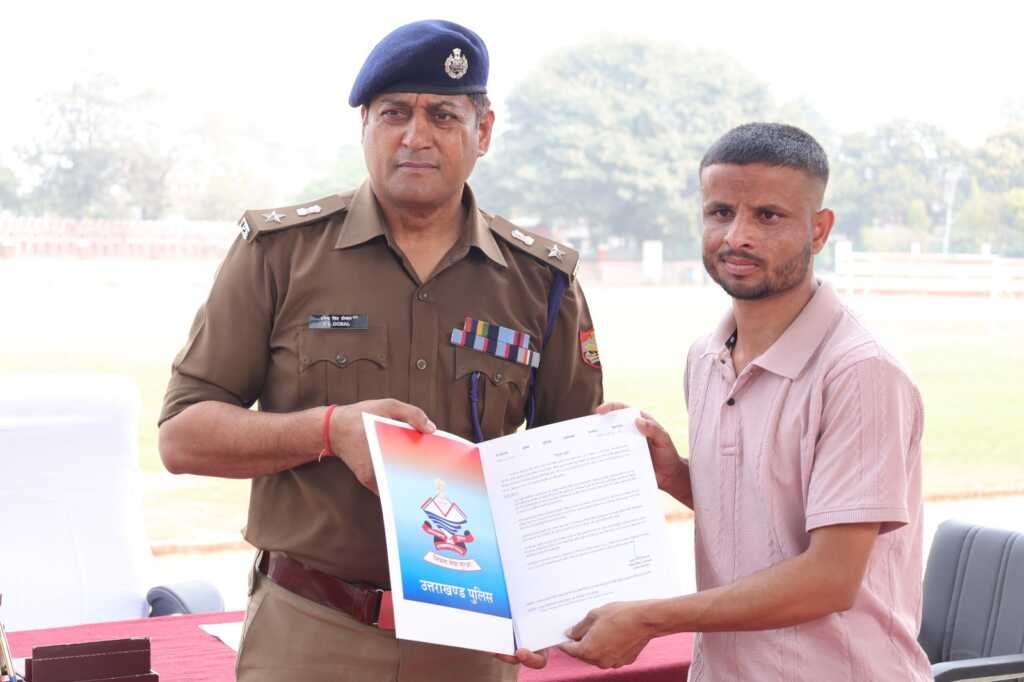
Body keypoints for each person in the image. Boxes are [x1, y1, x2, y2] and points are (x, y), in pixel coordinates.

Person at [157, 19, 602, 682]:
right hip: (311, 635)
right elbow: (182, 437)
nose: (416, 136)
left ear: (483, 131)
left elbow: (570, 470)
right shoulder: (280, 255)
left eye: (443, 115)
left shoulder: (542, 282)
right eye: (395, 113)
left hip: (472, 643)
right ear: (364, 125)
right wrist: (329, 431)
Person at [558, 123, 933, 680]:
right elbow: (767, 523)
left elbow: (830, 579)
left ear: (819, 230)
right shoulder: (706, 356)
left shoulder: (861, 372)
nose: (737, 236)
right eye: (720, 212)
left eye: (768, 216)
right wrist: (675, 474)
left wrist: (651, 618)